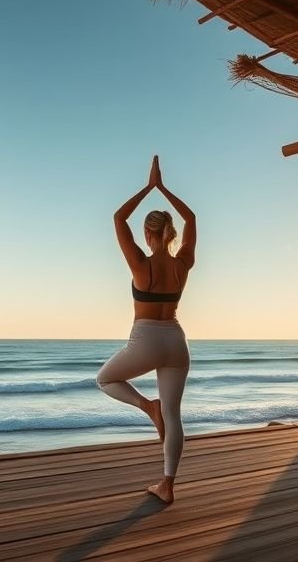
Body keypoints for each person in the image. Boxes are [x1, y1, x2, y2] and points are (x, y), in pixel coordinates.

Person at [96, 155, 195, 504]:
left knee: (105, 379)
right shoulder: (183, 263)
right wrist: (165, 190)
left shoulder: (141, 264)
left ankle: (146, 407)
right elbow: (192, 218)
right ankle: (167, 486)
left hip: (146, 339)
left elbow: (118, 217)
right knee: (174, 415)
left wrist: (150, 186)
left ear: (148, 234)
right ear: (170, 232)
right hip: (177, 341)